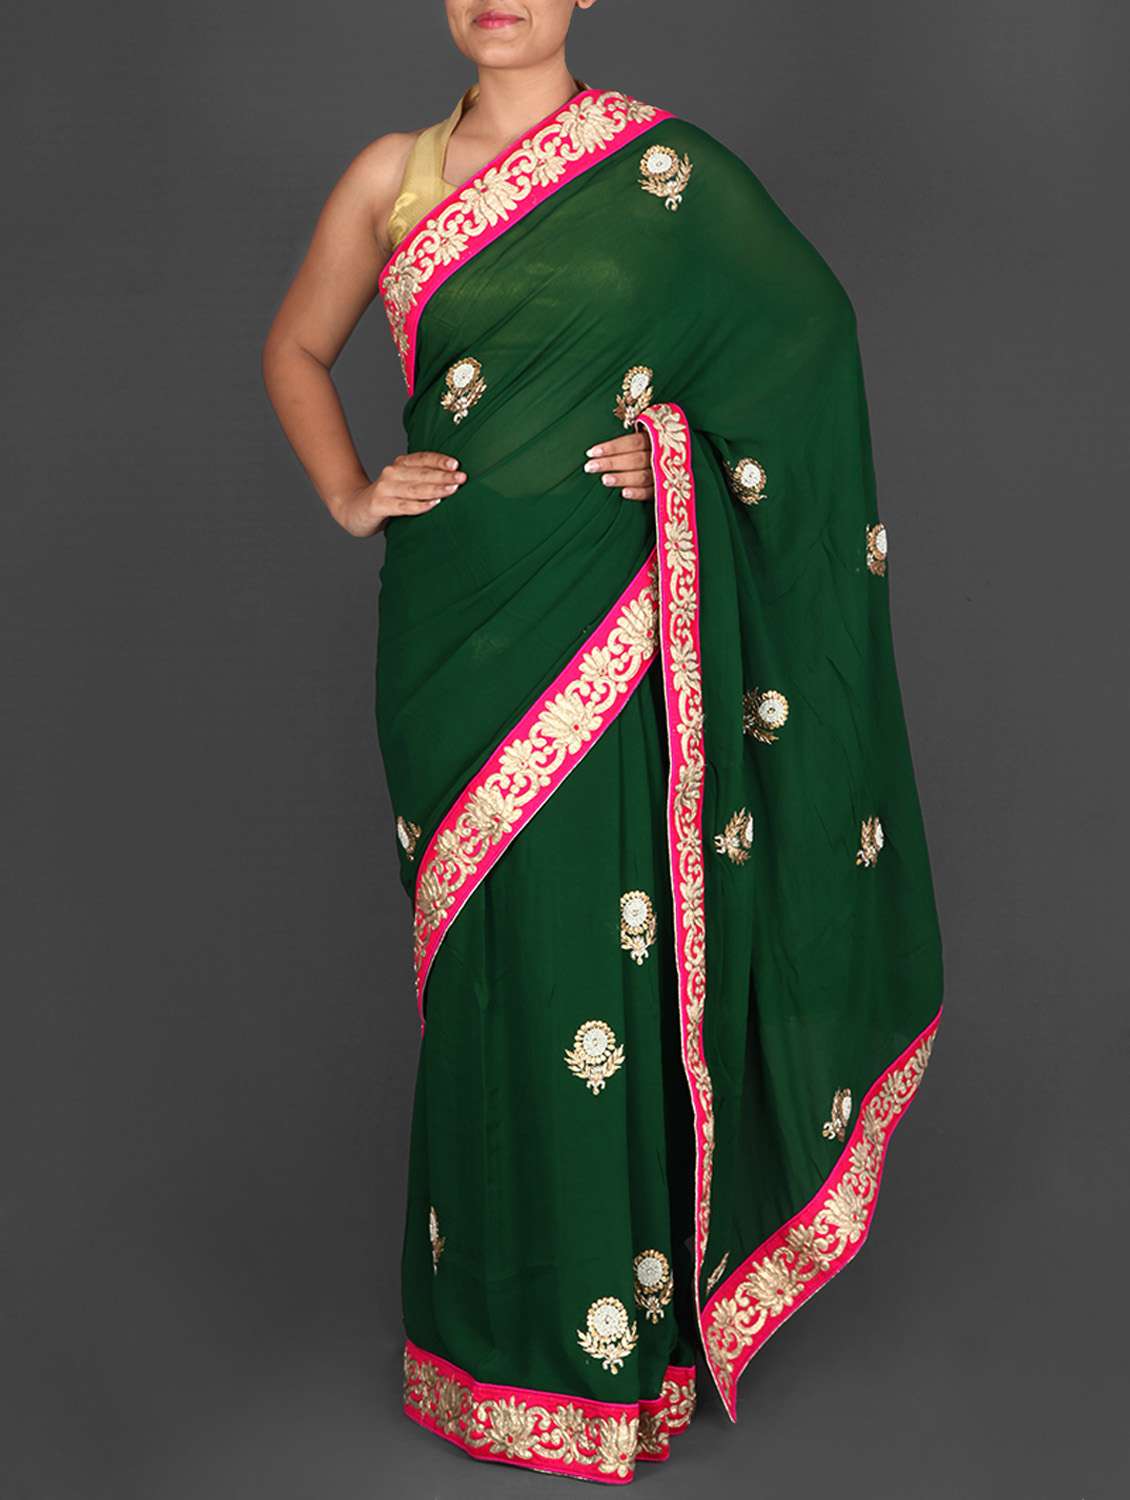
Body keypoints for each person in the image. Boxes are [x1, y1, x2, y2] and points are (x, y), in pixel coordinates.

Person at [262, 1, 943, 1484]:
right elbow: (298, 348)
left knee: (598, 949)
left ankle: (613, 1361)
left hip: (610, 622)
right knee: (482, 973)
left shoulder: (663, 170)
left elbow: (807, 345)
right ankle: (484, 1350)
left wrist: (683, 451)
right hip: (451, 637)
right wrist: (352, 492)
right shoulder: (389, 175)